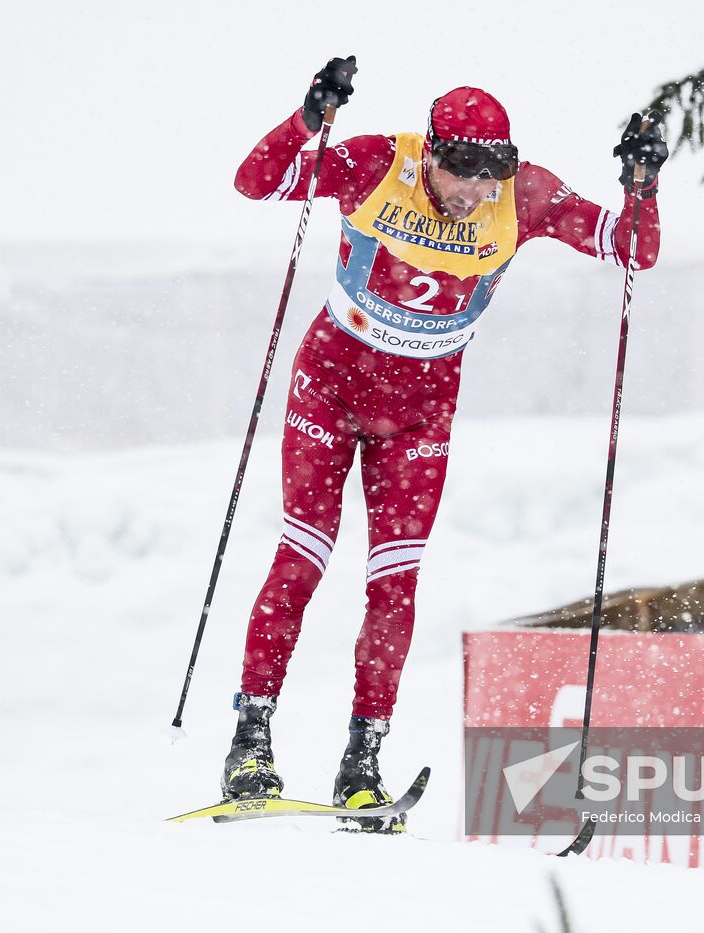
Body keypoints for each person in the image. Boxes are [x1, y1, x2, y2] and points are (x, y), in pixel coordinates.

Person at [222, 56, 667, 831]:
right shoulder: (372, 162)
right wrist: (308, 119)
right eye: (460, 175)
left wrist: (642, 185)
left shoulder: (522, 196)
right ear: (429, 153)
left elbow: (632, 248)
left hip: (421, 413)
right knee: (303, 557)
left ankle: (362, 762)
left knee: (393, 585)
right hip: (328, 386)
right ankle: (250, 740)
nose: (474, 195)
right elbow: (255, 183)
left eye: (488, 180)